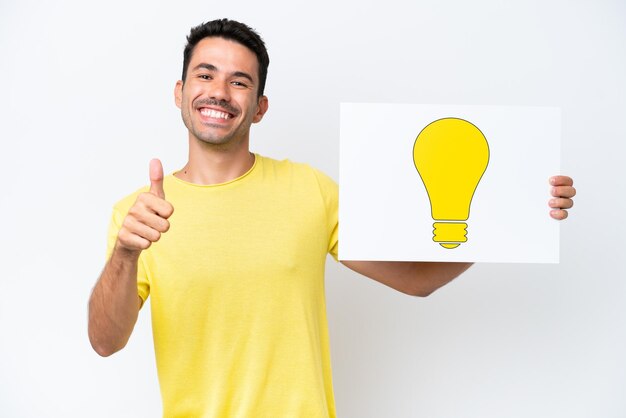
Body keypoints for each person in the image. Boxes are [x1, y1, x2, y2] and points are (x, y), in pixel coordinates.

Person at [88, 18, 576, 418]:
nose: (220, 92)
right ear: (179, 92)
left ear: (259, 107)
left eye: (239, 82)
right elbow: (105, 342)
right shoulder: (138, 215)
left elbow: (416, 279)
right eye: (205, 74)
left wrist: (511, 217)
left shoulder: (310, 191)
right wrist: (125, 254)